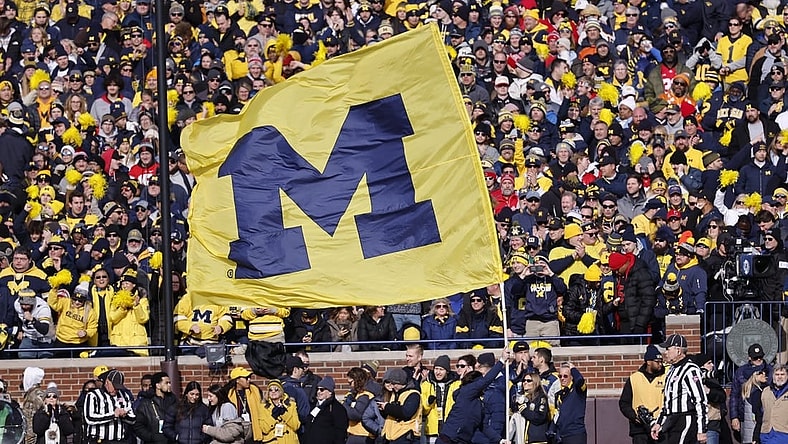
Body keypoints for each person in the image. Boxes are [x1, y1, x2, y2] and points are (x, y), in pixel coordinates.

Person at [439, 350, 507, 444]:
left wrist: (499, 440)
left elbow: (484, 426)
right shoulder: (467, 392)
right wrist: (501, 361)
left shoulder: (479, 404)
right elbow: (486, 380)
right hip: (449, 439)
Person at [650, 334, 708, 444]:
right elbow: (668, 402)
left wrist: (702, 430)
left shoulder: (690, 370)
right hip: (672, 419)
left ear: (678, 350)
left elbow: (700, 400)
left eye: (668, 349)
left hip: (685, 418)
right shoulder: (672, 370)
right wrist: (659, 423)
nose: (665, 353)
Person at [619, 345, 666, 444]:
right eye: (657, 362)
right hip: (640, 429)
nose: (660, 364)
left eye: (661, 361)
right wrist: (634, 416)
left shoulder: (666, 376)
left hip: (660, 426)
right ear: (648, 362)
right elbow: (624, 403)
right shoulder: (634, 378)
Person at [83, 369, 136, 443]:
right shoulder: (93, 395)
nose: (116, 390)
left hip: (119, 440)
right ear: (107, 382)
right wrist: (113, 415)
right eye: (114, 386)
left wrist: (124, 415)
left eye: (118, 387)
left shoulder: (124, 395)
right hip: (100, 440)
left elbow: (133, 419)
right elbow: (89, 418)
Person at [731, 343, 772, 437]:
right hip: (745, 414)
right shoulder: (741, 371)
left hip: (765, 415)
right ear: (749, 358)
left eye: (760, 357)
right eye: (755, 358)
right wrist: (734, 417)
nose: (758, 360)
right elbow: (734, 395)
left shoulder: (770, 370)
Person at [133, 371, 178, 444]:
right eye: (166, 383)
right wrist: (152, 437)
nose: (169, 385)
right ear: (158, 385)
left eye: (170, 383)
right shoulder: (146, 404)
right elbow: (138, 426)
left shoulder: (174, 401)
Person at [379, 368, 421, 444]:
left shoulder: (413, 394)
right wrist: (383, 410)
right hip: (391, 436)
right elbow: (391, 414)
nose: (391, 386)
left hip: (406, 437)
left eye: (394, 384)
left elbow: (406, 413)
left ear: (400, 383)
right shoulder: (395, 394)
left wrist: (387, 407)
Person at [421, 355, 457, 443]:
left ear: (447, 371)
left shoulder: (456, 384)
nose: (438, 372)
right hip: (432, 431)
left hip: (450, 430)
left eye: (441, 369)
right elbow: (422, 410)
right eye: (436, 369)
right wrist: (428, 403)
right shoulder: (426, 385)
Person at [302, 376, 348, 444]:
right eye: (317, 389)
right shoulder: (314, 405)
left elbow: (340, 431)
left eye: (322, 390)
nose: (318, 392)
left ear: (330, 392)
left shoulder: (337, 408)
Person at [509, 370, 550, 444]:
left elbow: (539, 418)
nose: (525, 382)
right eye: (524, 380)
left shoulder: (541, 398)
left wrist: (524, 410)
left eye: (528, 381)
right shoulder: (524, 398)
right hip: (525, 440)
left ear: (535, 382)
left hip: (538, 441)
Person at [225, 367, 265, 442]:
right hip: (238, 433)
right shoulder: (228, 394)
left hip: (253, 432)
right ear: (237, 380)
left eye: (249, 377)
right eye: (246, 378)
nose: (249, 380)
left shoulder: (254, 390)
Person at [553, 363, 588, 444]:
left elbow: (580, 380)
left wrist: (573, 369)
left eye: (565, 376)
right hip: (562, 435)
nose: (562, 378)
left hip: (575, 434)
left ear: (571, 377)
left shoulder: (578, 390)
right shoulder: (559, 394)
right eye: (560, 376)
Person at [259, 379, 300, 444]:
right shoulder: (263, 407)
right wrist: (273, 417)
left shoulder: (291, 405)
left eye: (276, 389)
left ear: (281, 391)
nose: (273, 392)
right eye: (270, 390)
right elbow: (264, 429)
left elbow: (296, 426)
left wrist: (284, 414)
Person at [344, 367, 377, 444]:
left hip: (362, 435)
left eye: (350, 382)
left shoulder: (365, 396)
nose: (350, 385)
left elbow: (356, 415)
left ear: (357, 381)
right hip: (354, 434)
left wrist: (344, 405)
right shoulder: (354, 394)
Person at [759, 364, 788, 443]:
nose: (779, 377)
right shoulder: (766, 391)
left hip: (784, 434)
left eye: (782, 374)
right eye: (777, 374)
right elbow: (760, 414)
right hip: (766, 433)